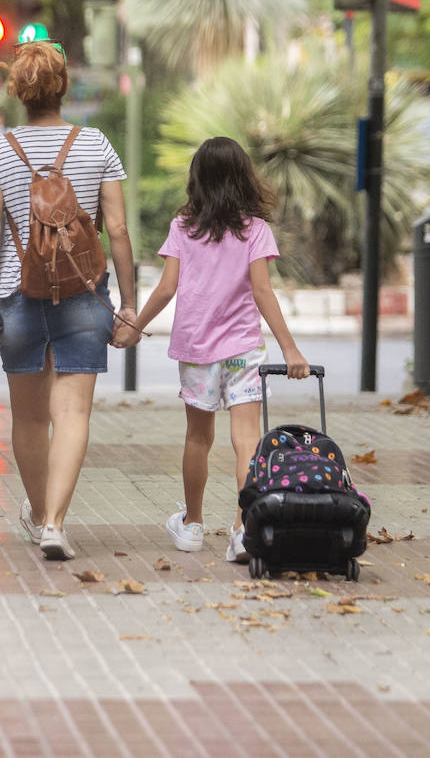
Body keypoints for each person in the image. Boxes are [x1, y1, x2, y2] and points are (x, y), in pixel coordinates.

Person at [0, 41, 139, 561]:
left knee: (28, 419)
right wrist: (128, 304)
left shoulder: (0, 149)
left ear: (17, 92)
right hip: (84, 293)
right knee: (72, 413)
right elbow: (117, 229)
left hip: (17, 296)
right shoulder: (95, 144)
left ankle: (41, 510)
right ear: (64, 86)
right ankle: (54, 524)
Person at [126, 137, 311, 561]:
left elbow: (166, 288)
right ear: (244, 177)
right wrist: (290, 350)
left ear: (197, 179)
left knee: (198, 437)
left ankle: (192, 525)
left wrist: (135, 327)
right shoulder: (255, 230)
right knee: (247, 440)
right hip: (244, 349)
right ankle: (243, 530)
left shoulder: (183, 227)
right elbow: (263, 292)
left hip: (197, 350)